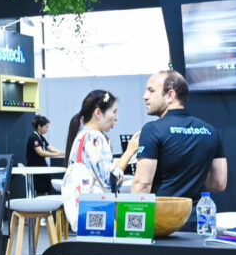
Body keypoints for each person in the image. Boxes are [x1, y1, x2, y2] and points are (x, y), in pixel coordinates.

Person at [132, 71, 227, 228]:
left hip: (162, 224)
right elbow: (219, 183)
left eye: (151, 91)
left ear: (170, 95)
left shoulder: (153, 129)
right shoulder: (210, 130)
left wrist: (131, 225)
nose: (145, 96)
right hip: (197, 222)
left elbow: (142, 185)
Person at [64, 90, 137, 193]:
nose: (116, 118)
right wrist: (129, 152)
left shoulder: (81, 136)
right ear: (98, 113)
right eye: (114, 112)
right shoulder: (95, 137)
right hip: (96, 202)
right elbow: (110, 181)